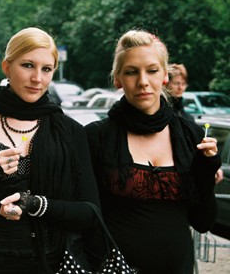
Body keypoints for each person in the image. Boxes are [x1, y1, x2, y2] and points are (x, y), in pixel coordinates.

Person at [0, 27, 100, 273]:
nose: (37, 78)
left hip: (59, 264)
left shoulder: (71, 131)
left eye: (46, 69)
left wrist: (35, 204)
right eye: (28, 65)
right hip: (0, 263)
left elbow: (90, 213)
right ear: (7, 67)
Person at [84, 29, 221, 274]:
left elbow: (203, 221)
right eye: (131, 72)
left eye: (152, 70)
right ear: (118, 79)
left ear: (165, 76)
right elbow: (84, 218)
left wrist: (206, 171)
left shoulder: (191, 135)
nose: (143, 81)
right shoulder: (96, 137)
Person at [167, 63, 224, 184]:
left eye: (183, 84)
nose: (181, 87)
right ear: (166, 83)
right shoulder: (163, 113)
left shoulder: (185, 115)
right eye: (177, 83)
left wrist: (212, 164)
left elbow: (197, 144)